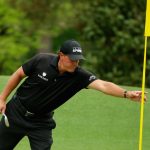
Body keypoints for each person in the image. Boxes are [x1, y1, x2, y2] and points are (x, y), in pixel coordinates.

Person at [0, 39, 147, 150]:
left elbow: (103, 85)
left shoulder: (79, 76)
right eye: (72, 59)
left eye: (78, 60)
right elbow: (19, 74)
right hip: (15, 114)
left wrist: (127, 94)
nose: (75, 63)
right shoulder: (41, 60)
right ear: (61, 55)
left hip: (41, 123)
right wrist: (2, 98)